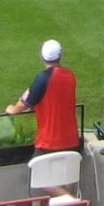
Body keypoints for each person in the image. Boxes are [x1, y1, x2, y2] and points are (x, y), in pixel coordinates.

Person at [6, 39, 81, 196]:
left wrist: (12, 109)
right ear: (60, 56)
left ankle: (74, 202)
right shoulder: (70, 76)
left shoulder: (43, 78)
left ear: (42, 57)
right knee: (65, 180)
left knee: (38, 177)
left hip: (49, 141)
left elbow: (23, 105)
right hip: (71, 138)